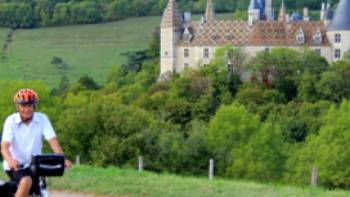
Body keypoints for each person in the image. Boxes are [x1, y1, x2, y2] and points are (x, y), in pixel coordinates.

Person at [1, 89, 72, 197]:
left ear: (34, 106)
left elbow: (53, 141)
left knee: (39, 193)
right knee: (26, 181)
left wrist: (61, 159)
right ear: (18, 107)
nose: (27, 109)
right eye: (23, 106)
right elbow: (4, 146)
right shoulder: (11, 121)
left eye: (30, 106)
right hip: (16, 166)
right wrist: (10, 161)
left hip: (35, 165)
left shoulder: (42, 119)